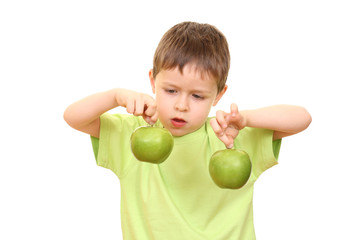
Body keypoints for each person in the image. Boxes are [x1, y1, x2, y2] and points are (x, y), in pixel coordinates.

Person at [64, 21, 312, 240]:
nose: (181, 106)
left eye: (197, 95)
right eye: (171, 91)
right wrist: (115, 96)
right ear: (153, 81)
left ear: (218, 95)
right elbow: (74, 117)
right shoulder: (132, 134)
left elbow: (302, 118)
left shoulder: (229, 137)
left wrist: (247, 118)